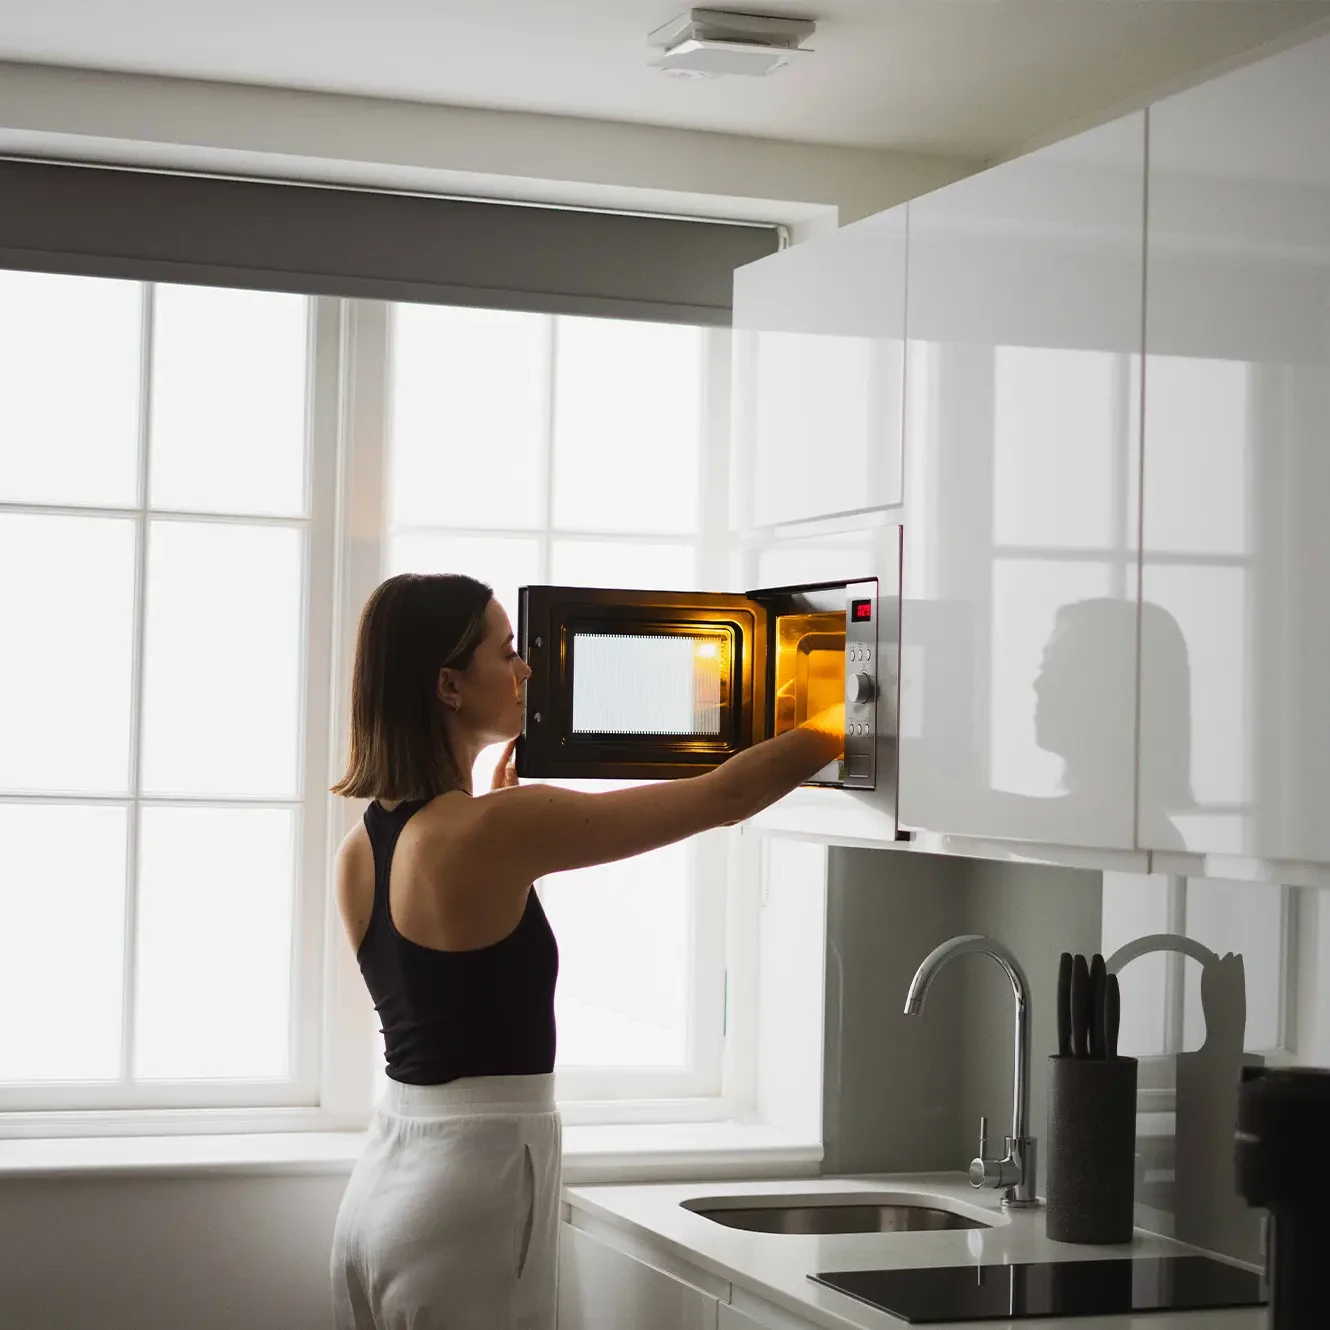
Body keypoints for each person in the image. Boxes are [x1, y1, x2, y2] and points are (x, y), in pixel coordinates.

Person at [329, 572, 845, 1330]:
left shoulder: (363, 846)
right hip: (470, 1194)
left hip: (382, 1190)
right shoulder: (494, 830)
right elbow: (723, 797)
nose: (526, 669)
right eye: (506, 651)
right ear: (448, 685)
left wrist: (499, 816)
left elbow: (448, 982)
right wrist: (850, 714)